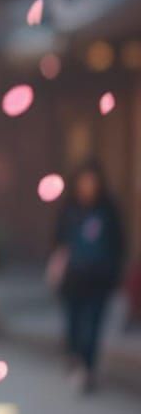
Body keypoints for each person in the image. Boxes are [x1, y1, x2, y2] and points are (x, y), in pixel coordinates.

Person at [51, 159, 126, 394]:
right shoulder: (70, 209)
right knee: (74, 324)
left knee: (93, 326)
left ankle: (88, 370)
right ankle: (74, 359)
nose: (88, 186)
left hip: (99, 278)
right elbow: (59, 241)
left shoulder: (108, 210)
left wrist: (115, 271)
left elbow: (118, 243)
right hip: (73, 278)